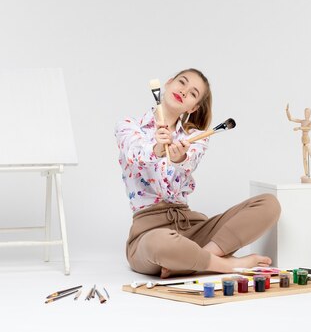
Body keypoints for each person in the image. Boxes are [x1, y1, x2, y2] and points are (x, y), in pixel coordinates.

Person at [115, 68, 280, 278]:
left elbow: (180, 177)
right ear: (168, 83)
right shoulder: (129, 126)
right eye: (182, 83)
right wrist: (157, 148)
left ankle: (198, 258)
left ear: (194, 107)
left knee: (269, 204)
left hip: (193, 228)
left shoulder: (197, 138)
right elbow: (134, 154)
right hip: (149, 234)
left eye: (193, 93)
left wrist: (179, 160)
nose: (184, 92)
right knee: (161, 243)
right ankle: (227, 265)